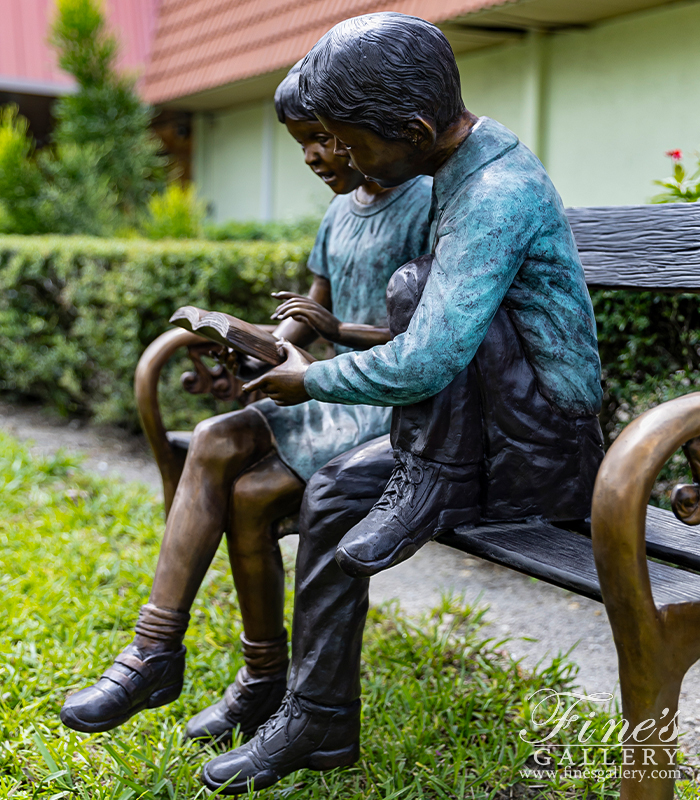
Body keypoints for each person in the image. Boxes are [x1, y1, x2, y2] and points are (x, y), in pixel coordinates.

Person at [201, 12, 604, 795]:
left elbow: (429, 359)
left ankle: (434, 479)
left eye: (352, 143)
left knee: (413, 288)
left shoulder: (496, 192)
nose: (345, 158)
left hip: (542, 455)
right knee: (334, 491)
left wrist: (308, 378)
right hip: (473, 433)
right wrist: (324, 337)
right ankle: (318, 717)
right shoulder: (455, 168)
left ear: (414, 129)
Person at [59, 63, 433, 742]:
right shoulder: (339, 213)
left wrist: (334, 334)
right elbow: (310, 310)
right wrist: (262, 339)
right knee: (214, 436)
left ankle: (260, 679)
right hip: (326, 387)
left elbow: (426, 340)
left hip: (383, 400)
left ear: (358, 133)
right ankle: (154, 650)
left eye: (324, 138)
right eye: (303, 144)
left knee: (252, 495)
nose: (317, 155)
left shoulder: (427, 201)